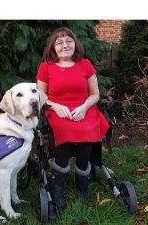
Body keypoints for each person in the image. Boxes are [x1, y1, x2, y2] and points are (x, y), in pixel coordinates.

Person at [36, 27, 109, 209]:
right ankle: (57, 183)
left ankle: (81, 179)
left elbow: (95, 94)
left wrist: (84, 108)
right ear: (53, 48)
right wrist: (55, 106)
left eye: (68, 41)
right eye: (59, 43)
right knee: (65, 131)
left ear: (75, 44)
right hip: (56, 109)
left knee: (86, 131)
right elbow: (39, 96)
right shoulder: (46, 67)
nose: (64, 45)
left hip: (83, 108)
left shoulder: (85, 64)